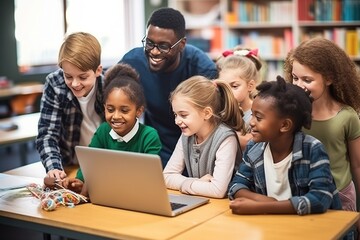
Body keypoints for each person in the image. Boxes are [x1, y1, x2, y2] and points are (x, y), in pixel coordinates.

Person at [119, 7, 218, 168]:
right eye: (150, 43)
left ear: (182, 44)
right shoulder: (132, 62)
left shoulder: (202, 69)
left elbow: (214, 124)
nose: (155, 52)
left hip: (195, 154)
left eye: (164, 46)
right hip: (154, 151)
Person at [228, 76, 342, 215]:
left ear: (284, 125)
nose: (251, 122)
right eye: (252, 115)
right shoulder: (254, 148)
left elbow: (319, 199)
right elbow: (236, 185)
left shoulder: (312, 149)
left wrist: (261, 207)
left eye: (258, 117)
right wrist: (263, 200)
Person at [59, 63, 162, 196]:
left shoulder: (149, 136)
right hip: (108, 195)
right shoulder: (103, 131)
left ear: (139, 111)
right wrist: (80, 180)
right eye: (110, 109)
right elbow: (90, 162)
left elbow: (150, 176)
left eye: (124, 110)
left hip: (138, 195)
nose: (116, 116)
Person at [284, 37, 360, 213]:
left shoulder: (347, 116)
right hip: (302, 195)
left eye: (307, 80)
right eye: (295, 78)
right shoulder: (291, 113)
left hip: (341, 196)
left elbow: (357, 164)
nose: (299, 85)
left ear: (329, 79)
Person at [36, 32, 104, 180]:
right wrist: (54, 167)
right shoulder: (55, 84)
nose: (75, 83)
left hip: (103, 166)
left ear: (98, 70)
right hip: (69, 166)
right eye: (68, 76)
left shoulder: (109, 88)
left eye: (83, 77)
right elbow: (47, 134)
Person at [163, 76, 244, 198]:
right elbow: (166, 176)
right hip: (200, 201)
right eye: (175, 114)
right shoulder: (187, 134)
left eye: (183, 115)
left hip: (223, 209)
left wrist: (186, 184)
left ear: (206, 113)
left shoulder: (226, 138)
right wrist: (195, 183)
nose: (177, 121)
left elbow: (218, 190)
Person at [216, 47, 263, 151]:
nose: (228, 92)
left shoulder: (259, 114)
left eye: (234, 86)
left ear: (250, 86)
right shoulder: (219, 111)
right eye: (223, 86)